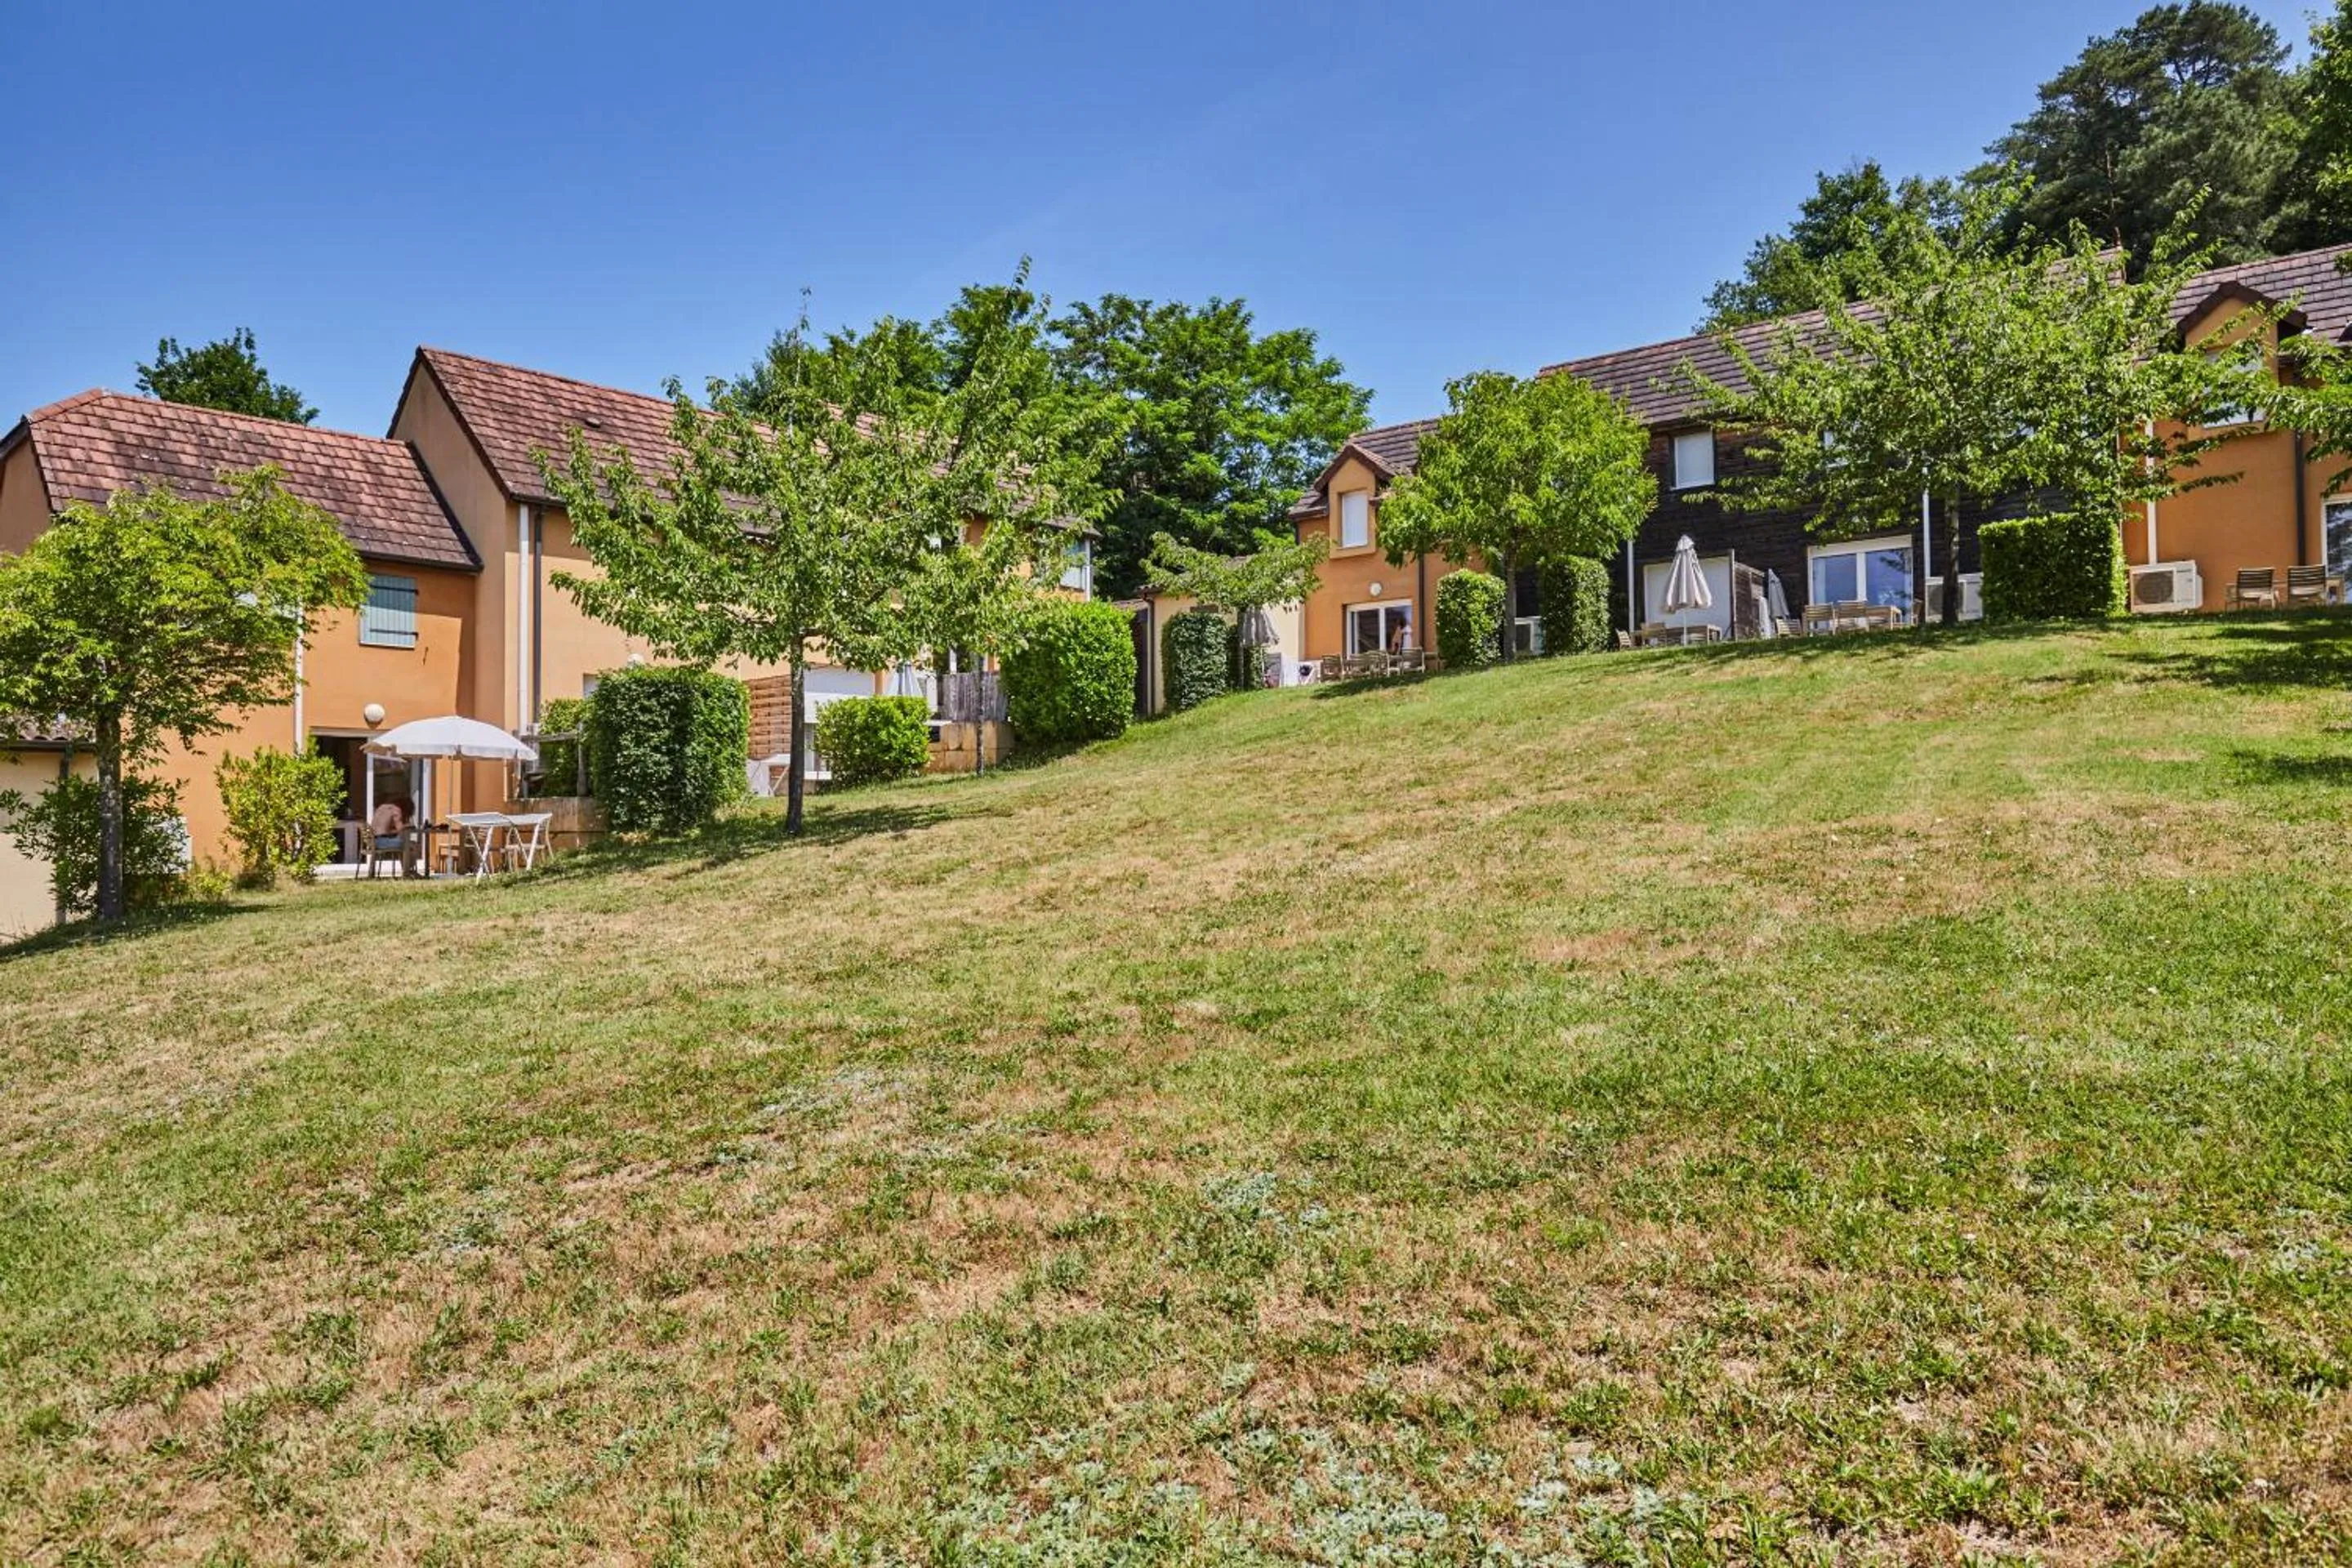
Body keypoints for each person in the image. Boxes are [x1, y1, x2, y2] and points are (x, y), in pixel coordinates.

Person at [368, 795, 416, 877]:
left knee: (404, 842)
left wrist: (393, 830)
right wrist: (409, 825)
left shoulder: (381, 807)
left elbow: (383, 829)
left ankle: (407, 869)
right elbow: (401, 828)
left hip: (372, 841)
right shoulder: (396, 810)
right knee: (412, 845)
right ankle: (408, 871)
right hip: (382, 842)